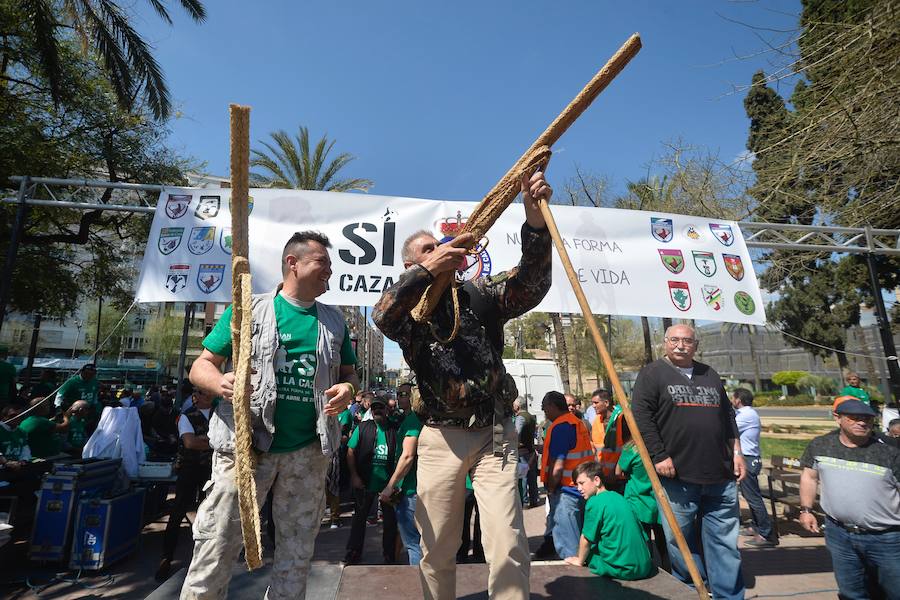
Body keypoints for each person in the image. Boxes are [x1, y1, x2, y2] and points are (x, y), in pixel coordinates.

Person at [372, 170, 553, 600]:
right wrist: (424, 274)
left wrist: (534, 220)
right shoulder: (408, 311)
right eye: (427, 250)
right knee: (436, 548)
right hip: (440, 438)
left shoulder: (479, 293)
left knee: (508, 542)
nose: (441, 251)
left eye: (441, 245)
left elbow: (532, 285)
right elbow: (383, 317)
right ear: (411, 265)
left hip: (494, 435)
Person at [181, 231, 359, 600]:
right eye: (321, 262)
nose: (329, 270)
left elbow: (348, 375)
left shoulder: (334, 321)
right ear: (293, 263)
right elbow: (201, 367)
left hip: (307, 454)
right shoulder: (247, 310)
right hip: (246, 450)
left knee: (296, 553)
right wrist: (220, 382)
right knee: (217, 545)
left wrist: (348, 390)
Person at [630, 324, 747, 600]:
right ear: (665, 343)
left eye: (687, 341)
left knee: (725, 544)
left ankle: (728, 596)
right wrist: (659, 455)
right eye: (674, 340)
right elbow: (642, 419)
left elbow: (727, 417)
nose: (680, 345)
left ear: (696, 345)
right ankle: (694, 590)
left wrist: (737, 452)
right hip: (677, 477)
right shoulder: (651, 374)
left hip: (720, 476)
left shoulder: (710, 374)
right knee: (679, 542)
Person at [799, 399, 900, 599]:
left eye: (868, 420)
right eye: (855, 418)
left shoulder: (889, 453)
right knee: (851, 593)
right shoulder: (820, 445)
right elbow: (809, 477)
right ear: (838, 418)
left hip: (887, 538)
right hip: (839, 535)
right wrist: (806, 510)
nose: (862, 423)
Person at [157, 389, 215, 581]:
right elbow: (190, 443)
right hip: (190, 468)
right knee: (178, 511)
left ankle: (209, 557)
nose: (208, 395)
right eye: (203, 393)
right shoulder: (186, 416)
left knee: (214, 511)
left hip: (212, 469)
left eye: (210, 393)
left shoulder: (220, 413)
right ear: (195, 397)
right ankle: (166, 557)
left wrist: (205, 441)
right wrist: (217, 442)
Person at [565, 461, 653, 581]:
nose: (579, 488)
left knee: (587, 554)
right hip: (645, 565)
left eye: (582, 483)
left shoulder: (594, 503)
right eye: (577, 485)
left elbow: (586, 538)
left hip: (624, 569)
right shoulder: (620, 497)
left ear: (596, 480)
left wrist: (579, 560)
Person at [538, 391, 594, 562]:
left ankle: (575, 578)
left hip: (566, 491)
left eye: (544, 408)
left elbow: (558, 465)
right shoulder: (577, 423)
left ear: (552, 406)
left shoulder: (561, 427)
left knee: (568, 545)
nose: (544, 412)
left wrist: (551, 488)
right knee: (580, 535)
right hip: (580, 487)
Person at [344, 396, 398, 565]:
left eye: (380, 408)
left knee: (390, 523)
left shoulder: (393, 429)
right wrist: (354, 475)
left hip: (387, 485)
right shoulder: (363, 427)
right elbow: (350, 451)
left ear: (386, 410)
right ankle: (354, 552)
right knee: (359, 520)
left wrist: (393, 484)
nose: (377, 411)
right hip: (364, 483)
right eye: (374, 408)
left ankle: (389, 554)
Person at [615, 421, 669, 571]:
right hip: (658, 500)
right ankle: (668, 569)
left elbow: (617, 472)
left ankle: (647, 567)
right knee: (663, 539)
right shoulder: (661, 447)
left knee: (643, 538)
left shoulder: (631, 449)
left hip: (638, 500)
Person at [380, 382, 423, 565]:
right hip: (415, 488)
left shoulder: (414, 421)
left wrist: (390, 486)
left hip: (412, 489)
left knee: (414, 544)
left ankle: (420, 587)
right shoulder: (409, 419)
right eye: (398, 393)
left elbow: (407, 456)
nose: (400, 397)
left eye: (405, 394)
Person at [731, 387, 777, 548]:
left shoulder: (746, 415)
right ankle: (757, 527)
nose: (731, 400)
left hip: (749, 459)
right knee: (749, 495)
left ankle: (766, 533)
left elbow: (729, 429)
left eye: (733, 398)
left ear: (738, 399)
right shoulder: (746, 414)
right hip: (749, 459)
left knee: (753, 498)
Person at [590, 389, 624, 481]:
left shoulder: (621, 417)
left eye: (596, 403)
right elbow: (596, 448)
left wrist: (616, 471)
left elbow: (626, 447)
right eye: (592, 403)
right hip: (604, 474)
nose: (593, 406)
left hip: (620, 474)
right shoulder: (597, 421)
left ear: (606, 402)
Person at [513, 398, 540, 508]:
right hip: (530, 449)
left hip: (522, 450)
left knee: (523, 476)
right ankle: (534, 499)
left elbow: (516, 433)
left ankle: (524, 501)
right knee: (532, 476)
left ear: (518, 406)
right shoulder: (531, 416)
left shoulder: (520, 418)